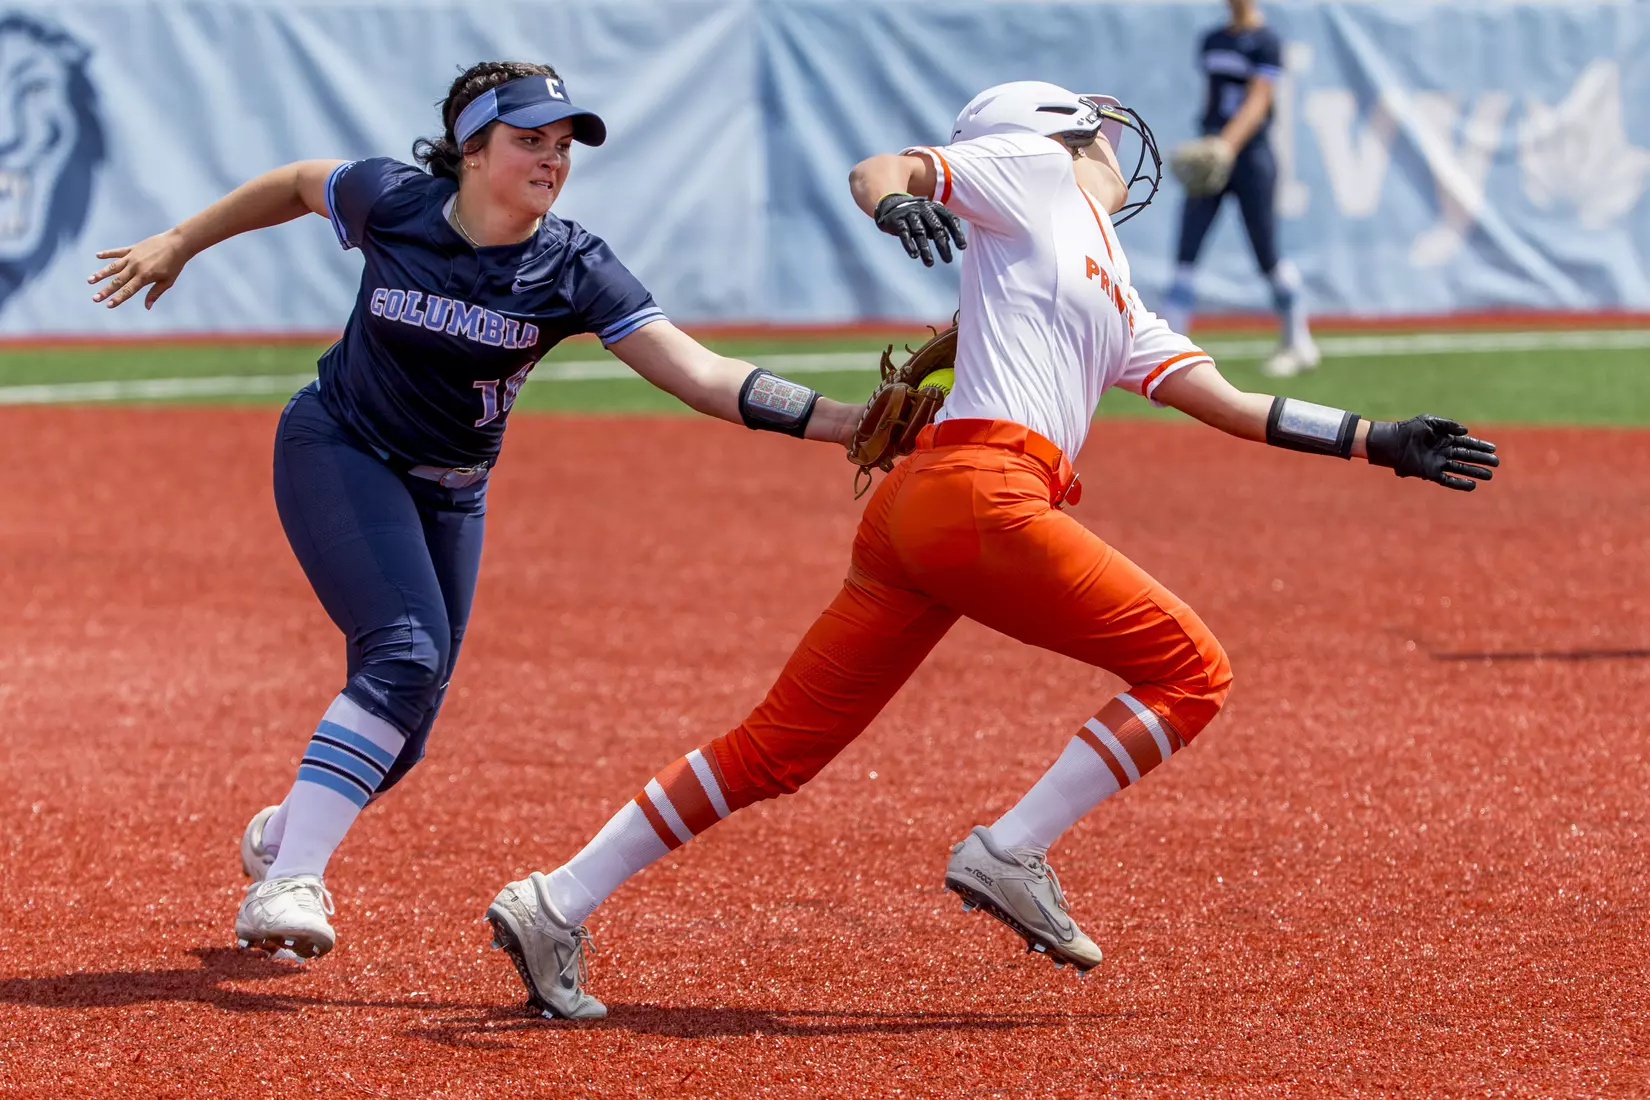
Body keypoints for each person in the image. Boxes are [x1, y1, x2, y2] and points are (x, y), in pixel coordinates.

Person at [482, 80, 1498, 1021]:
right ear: (1061, 133)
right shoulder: (1038, 168)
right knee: (1194, 670)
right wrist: (893, 203)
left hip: (925, 509)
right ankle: (1010, 848)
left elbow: (1230, 403)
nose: (1114, 146)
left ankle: (555, 897)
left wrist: (1374, 439)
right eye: (1097, 130)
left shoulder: (1110, 276)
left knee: (776, 748)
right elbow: (879, 171)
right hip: (986, 495)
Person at [87, 60, 859, 961]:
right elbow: (299, 184)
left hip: (454, 490)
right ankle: (289, 883)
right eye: (530, 140)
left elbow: (700, 374)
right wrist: (180, 241)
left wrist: (843, 422)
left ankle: (287, 830)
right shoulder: (395, 202)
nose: (552, 160)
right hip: (338, 446)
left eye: (563, 146)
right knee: (405, 655)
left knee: (402, 738)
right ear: (470, 148)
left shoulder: (571, 263)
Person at [1162, 0, 1317, 377]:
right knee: (1186, 252)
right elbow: (1212, 99)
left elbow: (1258, 101)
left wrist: (1224, 146)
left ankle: (1299, 342)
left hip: (1250, 159)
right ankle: (1168, 353)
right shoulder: (1213, 39)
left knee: (1266, 253)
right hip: (1214, 153)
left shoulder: (1266, 41)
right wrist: (1209, 141)